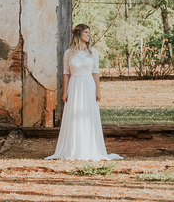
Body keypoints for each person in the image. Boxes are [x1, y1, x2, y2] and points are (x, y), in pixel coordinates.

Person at [46, 24, 122, 161]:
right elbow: (65, 73)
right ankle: (74, 148)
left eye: (89, 33)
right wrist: (65, 91)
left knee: (88, 115)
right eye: (86, 32)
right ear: (79, 34)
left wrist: (98, 91)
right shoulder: (68, 53)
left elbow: (96, 72)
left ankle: (89, 148)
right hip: (74, 85)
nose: (88, 35)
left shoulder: (93, 52)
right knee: (74, 114)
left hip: (88, 85)